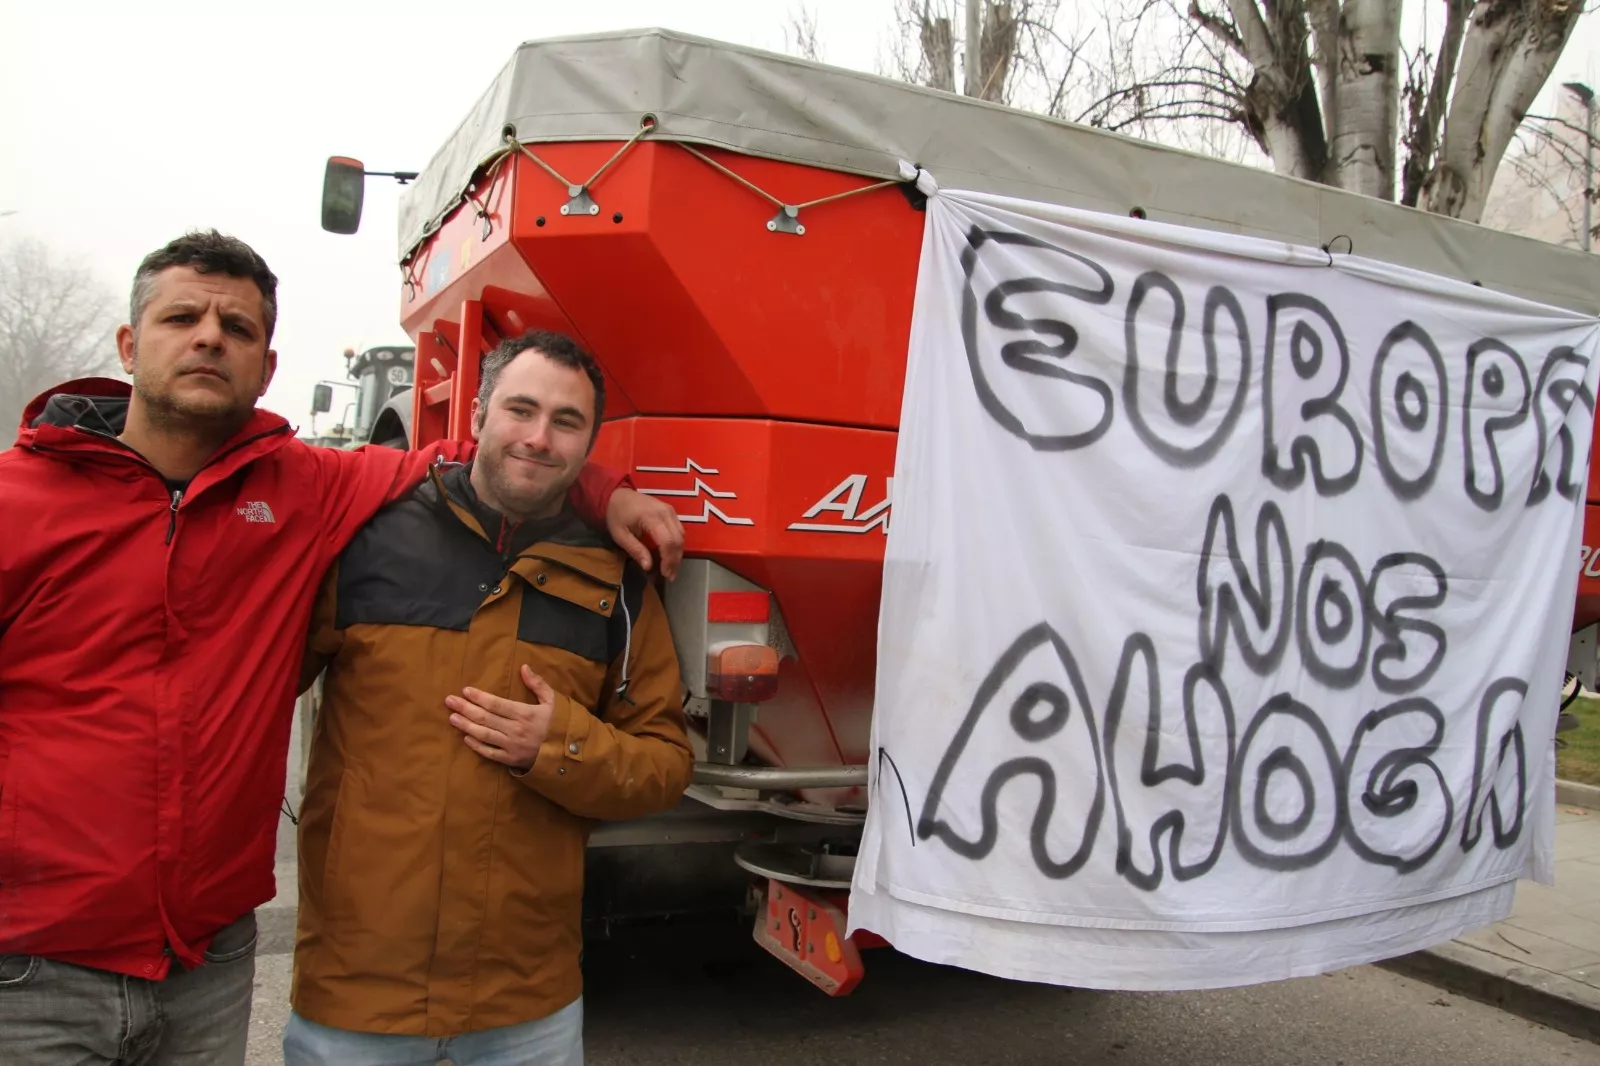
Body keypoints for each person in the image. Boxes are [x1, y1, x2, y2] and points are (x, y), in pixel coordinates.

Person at [0, 231, 684, 1065]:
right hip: (39, 966)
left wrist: (607, 493)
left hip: (218, 966)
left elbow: (501, 463)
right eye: (183, 317)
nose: (210, 337)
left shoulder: (310, 490)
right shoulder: (21, 502)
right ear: (129, 344)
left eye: (237, 327)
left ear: (268, 362)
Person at [282, 329, 693, 1066]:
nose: (539, 437)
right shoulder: (365, 536)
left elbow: (664, 762)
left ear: (589, 446)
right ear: (475, 416)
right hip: (356, 998)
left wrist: (562, 746)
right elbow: (246, 689)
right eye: (520, 410)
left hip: (526, 1009)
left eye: (566, 422)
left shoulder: (619, 578)